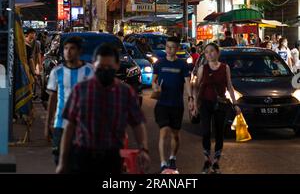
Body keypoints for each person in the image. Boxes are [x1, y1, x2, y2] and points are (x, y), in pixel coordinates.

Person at [56, 43, 150, 175]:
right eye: (101, 67)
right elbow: (69, 127)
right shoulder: (80, 90)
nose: (105, 71)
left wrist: (143, 149)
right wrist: (62, 162)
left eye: (109, 67)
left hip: (111, 157)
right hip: (83, 155)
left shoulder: (125, 93)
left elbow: (138, 123)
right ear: (94, 64)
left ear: (117, 66)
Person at [193, 43, 241, 174]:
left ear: (218, 53)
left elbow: (230, 86)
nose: (209, 54)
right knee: (206, 132)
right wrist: (194, 104)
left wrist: (235, 103)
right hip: (205, 104)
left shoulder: (225, 68)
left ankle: (216, 162)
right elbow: (196, 87)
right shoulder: (203, 68)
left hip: (221, 104)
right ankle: (206, 160)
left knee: (219, 133)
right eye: (206, 52)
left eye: (212, 51)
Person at [45, 36, 94, 165]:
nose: (68, 52)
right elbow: (53, 98)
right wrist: (48, 123)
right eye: (66, 48)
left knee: (81, 162)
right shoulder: (57, 71)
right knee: (59, 159)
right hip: (60, 124)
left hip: (83, 125)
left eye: (72, 48)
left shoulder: (90, 71)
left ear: (79, 51)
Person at [152, 36, 193, 173]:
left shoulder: (182, 65)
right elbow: (154, 81)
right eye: (167, 47)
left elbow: (187, 82)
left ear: (178, 49)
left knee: (175, 134)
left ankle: (172, 158)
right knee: (164, 132)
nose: (169, 50)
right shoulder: (159, 64)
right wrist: (155, 87)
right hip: (162, 104)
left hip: (176, 104)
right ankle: (163, 163)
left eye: (172, 47)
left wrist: (191, 98)